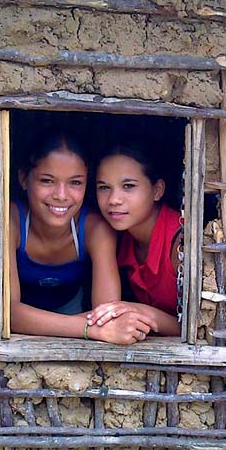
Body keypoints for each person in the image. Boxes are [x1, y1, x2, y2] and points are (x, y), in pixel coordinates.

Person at [9, 132, 158, 344]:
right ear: (24, 179)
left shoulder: (95, 228)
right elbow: (8, 313)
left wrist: (35, 322)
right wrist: (88, 328)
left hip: (74, 313)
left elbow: (108, 316)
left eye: (75, 183)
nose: (61, 195)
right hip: (74, 326)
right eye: (47, 181)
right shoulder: (10, 221)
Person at [87, 143, 183, 337]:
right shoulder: (122, 239)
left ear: (157, 190)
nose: (114, 199)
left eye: (128, 186)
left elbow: (202, 327)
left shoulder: (180, 243)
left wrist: (144, 313)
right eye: (104, 187)